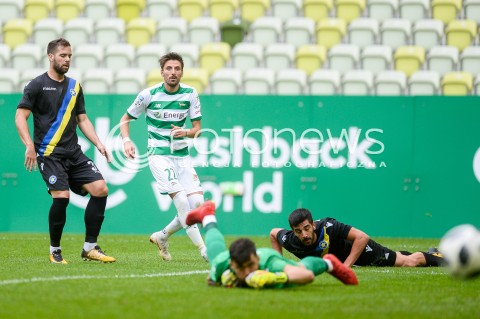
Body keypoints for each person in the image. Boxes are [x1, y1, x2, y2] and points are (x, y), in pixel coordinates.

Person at [15, 38, 116, 264]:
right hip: (49, 153)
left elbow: (82, 119)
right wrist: (29, 146)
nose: (67, 59)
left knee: (100, 189)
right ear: (51, 57)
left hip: (73, 153)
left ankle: (90, 247)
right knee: (62, 196)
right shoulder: (36, 85)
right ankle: (55, 250)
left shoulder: (74, 87)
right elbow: (20, 116)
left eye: (69, 55)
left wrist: (99, 143)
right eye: (63, 55)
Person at [119, 52, 207, 262]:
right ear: (162, 72)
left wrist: (184, 132)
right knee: (183, 203)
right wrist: (126, 141)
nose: (173, 73)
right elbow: (125, 120)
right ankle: (204, 249)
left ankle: (162, 236)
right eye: (169, 69)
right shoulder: (148, 95)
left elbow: (197, 130)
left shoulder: (190, 94)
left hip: (182, 157)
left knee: (197, 205)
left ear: (182, 72)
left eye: (177, 69)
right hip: (158, 156)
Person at [185, 201, 358, 288]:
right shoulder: (222, 264)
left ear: (256, 258)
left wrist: (275, 277)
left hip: (275, 267)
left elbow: (306, 276)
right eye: (241, 268)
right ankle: (207, 215)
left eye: (251, 265)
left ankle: (329, 263)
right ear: (232, 264)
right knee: (215, 255)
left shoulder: (270, 262)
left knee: (302, 267)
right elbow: (212, 281)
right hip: (226, 261)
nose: (247, 273)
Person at [270, 208, 444, 268]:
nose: (304, 234)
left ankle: (442, 258)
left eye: (307, 228)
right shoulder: (290, 239)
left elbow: (362, 237)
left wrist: (347, 266)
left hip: (361, 251)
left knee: (408, 263)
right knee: (396, 257)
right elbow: (273, 233)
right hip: (347, 257)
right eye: (298, 231)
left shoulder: (328, 227)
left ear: (313, 225)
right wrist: (278, 262)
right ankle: (429, 253)